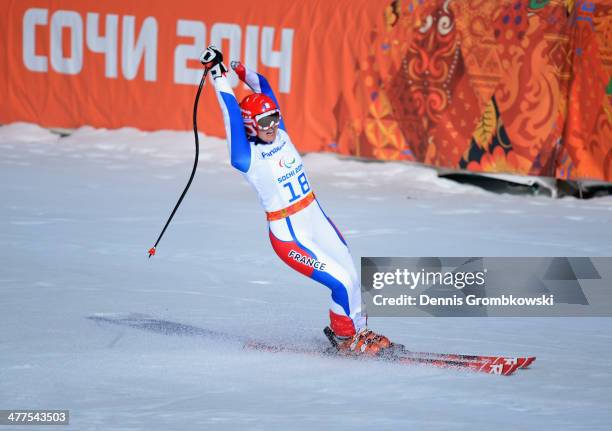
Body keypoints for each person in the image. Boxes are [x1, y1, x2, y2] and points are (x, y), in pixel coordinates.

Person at [200, 45, 395, 355]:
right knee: (341, 281)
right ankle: (348, 341)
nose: (272, 126)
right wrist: (218, 76)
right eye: (264, 122)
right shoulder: (247, 157)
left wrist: (241, 72)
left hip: (314, 216)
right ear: (250, 125)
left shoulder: (282, 134)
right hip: (289, 235)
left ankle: (357, 330)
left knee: (354, 276)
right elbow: (230, 112)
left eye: (274, 118)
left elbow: (263, 85)